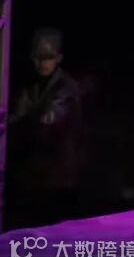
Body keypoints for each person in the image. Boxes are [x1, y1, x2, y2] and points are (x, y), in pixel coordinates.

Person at [7, 27, 85, 228]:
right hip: (36, 175)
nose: (42, 63)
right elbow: (17, 117)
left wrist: (27, 118)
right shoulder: (32, 86)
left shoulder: (67, 86)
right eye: (38, 57)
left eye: (48, 57)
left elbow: (50, 118)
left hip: (60, 175)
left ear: (58, 58)